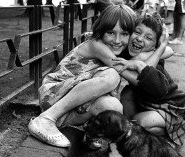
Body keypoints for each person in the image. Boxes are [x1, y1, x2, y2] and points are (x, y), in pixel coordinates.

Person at [28, 4, 137, 147]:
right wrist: (156, 53)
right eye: (111, 32)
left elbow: (167, 50)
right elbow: (131, 76)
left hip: (71, 112)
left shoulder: (117, 50)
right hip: (54, 96)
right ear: (101, 30)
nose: (117, 40)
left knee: (113, 106)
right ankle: (46, 119)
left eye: (124, 34)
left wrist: (159, 47)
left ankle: (90, 133)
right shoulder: (96, 45)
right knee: (112, 76)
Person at [114, 12, 185, 149]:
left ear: (155, 47)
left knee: (139, 122)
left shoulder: (156, 63)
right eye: (137, 32)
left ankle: (166, 137)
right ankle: (133, 134)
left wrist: (140, 60)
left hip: (170, 106)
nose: (139, 39)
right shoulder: (127, 52)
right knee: (127, 95)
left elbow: (160, 90)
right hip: (146, 102)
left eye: (148, 38)